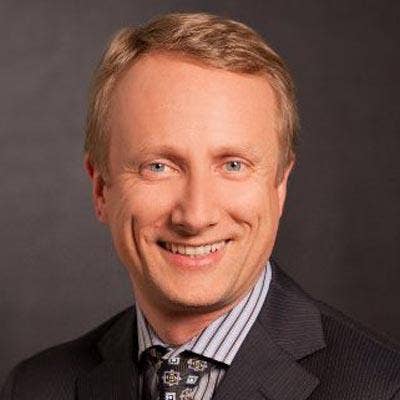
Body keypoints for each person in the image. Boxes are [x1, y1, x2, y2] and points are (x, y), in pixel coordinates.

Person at [2, 11, 400, 400]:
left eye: (233, 165)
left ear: (279, 185)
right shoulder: (35, 387)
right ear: (101, 189)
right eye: (158, 167)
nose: (195, 216)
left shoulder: (382, 388)